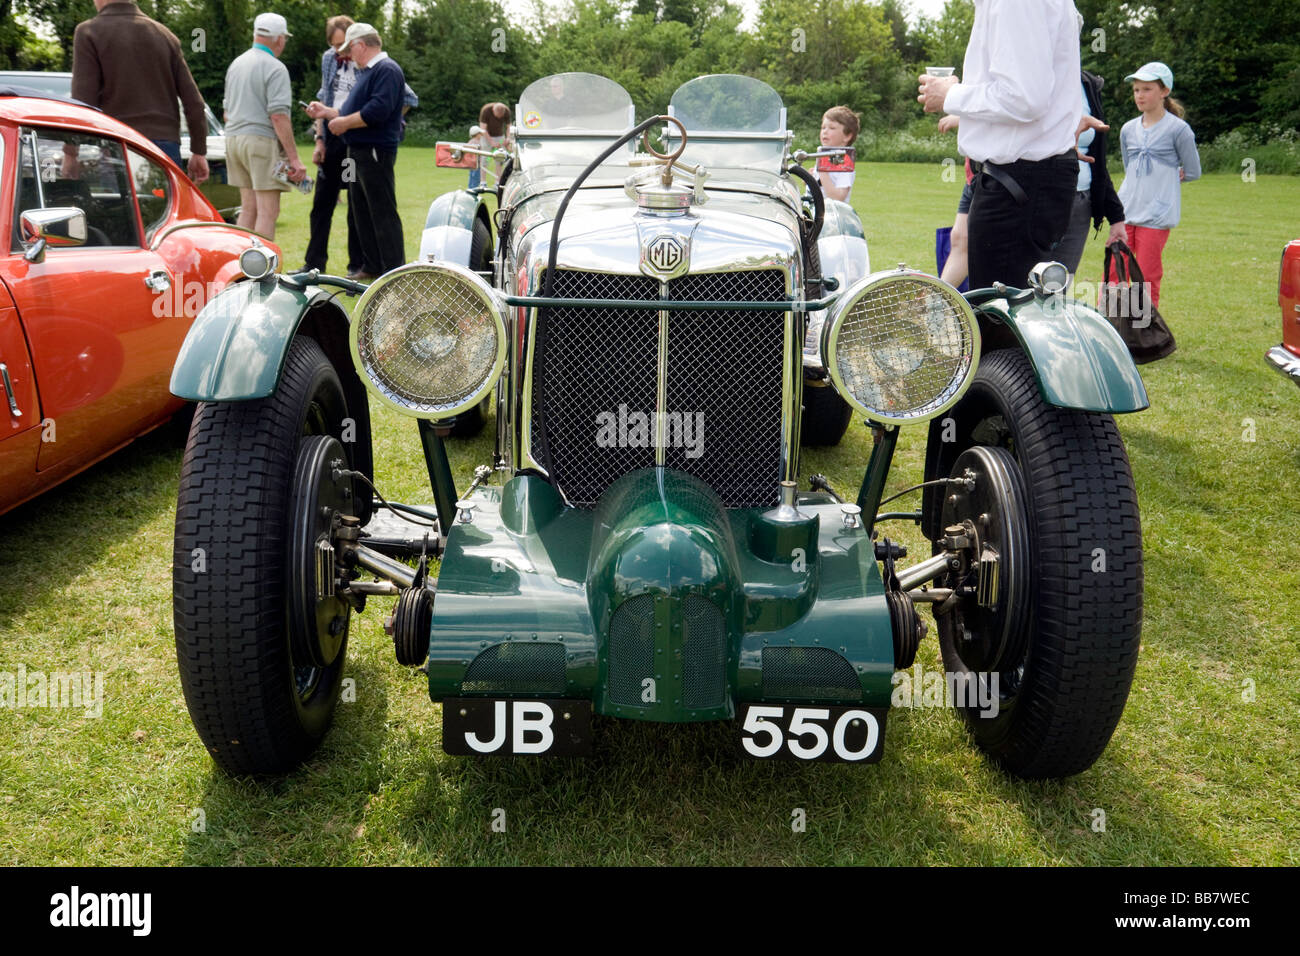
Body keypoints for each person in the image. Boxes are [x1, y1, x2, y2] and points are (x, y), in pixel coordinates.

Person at [918, 0, 1083, 290]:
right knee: (1012, 311)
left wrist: (951, 94)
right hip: (1021, 179)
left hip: (1018, 183)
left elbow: (1024, 98)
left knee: (1001, 317)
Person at [68, 0, 208, 182]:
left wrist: (71, 153)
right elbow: (195, 103)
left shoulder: (89, 32)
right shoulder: (166, 36)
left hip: (118, 143)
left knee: (121, 210)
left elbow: (83, 100)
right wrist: (198, 152)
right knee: (167, 209)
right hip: (164, 148)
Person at [307, 22, 407, 277]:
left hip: (375, 150)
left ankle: (394, 271)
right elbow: (350, 110)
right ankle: (372, 266)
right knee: (362, 211)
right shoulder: (368, 72)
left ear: (360, 45)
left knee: (382, 211)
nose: (347, 57)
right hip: (359, 150)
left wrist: (343, 123)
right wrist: (327, 113)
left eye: (349, 50)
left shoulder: (386, 70)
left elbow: (378, 110)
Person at [1111, 61, 1200, 310]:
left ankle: (1145, 335)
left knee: (1147, 277)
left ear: (1164, 91)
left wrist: (1170, 176)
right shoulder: (1128, 129)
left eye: (1147, 89)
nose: (1140, 95)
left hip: (1156, 216)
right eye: (1136, 89)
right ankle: (1111, 329)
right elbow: (1130, 169)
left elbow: (1193, 171)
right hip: (1125, 212)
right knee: (1115, 273)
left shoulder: (1179, 130)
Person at [223, 12, 307, 240]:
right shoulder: (275, 67)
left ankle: (240, 267)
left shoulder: (236, 64)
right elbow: (278, 116)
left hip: (233, 140)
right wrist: (294, 159)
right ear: (279, 39)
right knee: (268, 211)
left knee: (248, 208)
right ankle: (262, 273)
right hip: (259, 141)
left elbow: (226, 113)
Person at [304, 14, 363, 275]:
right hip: (331, 138)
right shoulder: (329, 59)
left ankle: (357, 265)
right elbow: (324, 97)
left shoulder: (366, 61)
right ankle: (313, 264)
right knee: (321, 205)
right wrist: (319, 140)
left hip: (355, 138)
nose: (340, 51)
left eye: (344, 45)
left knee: (356, 205)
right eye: (334, 45)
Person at [1056, 70, 1127, 276]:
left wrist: (1116, 216)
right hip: (1037, 199)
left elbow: (1098, 160)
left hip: (1080, 200)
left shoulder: (1087, 83)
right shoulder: (1034, 74)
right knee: (1023, 287)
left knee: (1057, 287)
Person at [815, 106, 859, 203]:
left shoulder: (844, 162)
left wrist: (822, 171)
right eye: (823, 127)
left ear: (847, 136)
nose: (825, 132)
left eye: (832, 128)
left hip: (832, 214)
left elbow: (838, 198)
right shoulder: (825, 155)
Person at [467, 102, 511, 190]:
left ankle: (498, 182)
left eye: (500, 116)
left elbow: (508, 126)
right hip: (486, 137)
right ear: (493, 110)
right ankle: (483, 182)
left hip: (500, 137)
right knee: (485, 158)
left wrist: (508, 138)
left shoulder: (506, 111)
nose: (499, 118)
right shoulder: (486, 110)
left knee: (499, 158)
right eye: (497, 115)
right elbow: (483, 128)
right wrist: (491, 142)